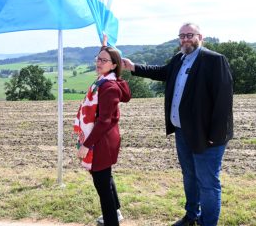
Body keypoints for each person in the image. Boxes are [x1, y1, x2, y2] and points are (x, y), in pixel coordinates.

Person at [122, 23, 233, 226]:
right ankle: (191, 216)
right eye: (181, 36)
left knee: (208, 184)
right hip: (183, 132)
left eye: (190, 35)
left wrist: (215, 135)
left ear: (201, 37)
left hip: (206, 135)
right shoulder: (179, 59)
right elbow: (162, 72)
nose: (185, 39)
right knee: (190, 176)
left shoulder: (214, 60)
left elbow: (223, 101)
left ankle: (207, 223)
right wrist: (133, 67)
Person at [74, 38, 131, 226]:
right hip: (105, 138)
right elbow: (108, 58)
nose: (99, 63)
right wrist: (104, 44)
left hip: (101, 141)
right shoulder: (108, 80)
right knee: (106, 177)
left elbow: (104, 120)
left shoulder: (108, 87)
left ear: (114, 65)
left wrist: (86, 145)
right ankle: (116, 213)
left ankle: (111, 221)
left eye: (104, 60)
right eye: (98, 59)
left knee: (102, 184)